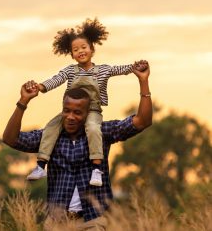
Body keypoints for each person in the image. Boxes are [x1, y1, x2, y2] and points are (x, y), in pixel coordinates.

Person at [2, 62, 152, 230]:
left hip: (92, 221)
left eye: (77, 112)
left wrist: (143, 81)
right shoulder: (50, 137)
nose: (70, 117)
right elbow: (10, 139)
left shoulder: (100, 133)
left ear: (88, 114)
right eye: (67, 110)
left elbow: (142, 121)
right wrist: (23, 101)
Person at [26, 18, 146, 187]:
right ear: (71, 54)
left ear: (92, 49)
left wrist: (135, 67)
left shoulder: (103, 70)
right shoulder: (69, 71)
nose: (80, 51)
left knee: (93, 128)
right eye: (76, 49)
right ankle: (40, 165)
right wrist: (40, 86)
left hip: (93, 110)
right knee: (51, 127)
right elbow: (56, 79)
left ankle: (96, 169)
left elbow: (121, 69)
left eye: (84, 47)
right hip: (71, 112)